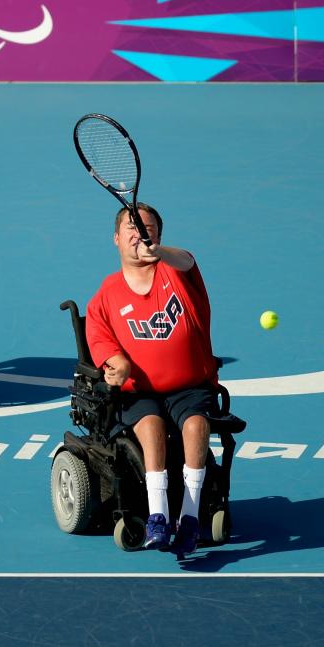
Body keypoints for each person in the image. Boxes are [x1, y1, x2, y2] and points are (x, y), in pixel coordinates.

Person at [85, 203, 219, 554]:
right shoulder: (107, 293)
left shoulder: (177, 273)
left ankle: (190, 516)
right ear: (116, 238)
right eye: (131, 227)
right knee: (151, 426)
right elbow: (100, 339)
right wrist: (117, 364)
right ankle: (158, 515)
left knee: (194, 425)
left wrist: (160, 253)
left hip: (189, 384)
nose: (139, 233)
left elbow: (187, 259)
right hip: (139, 392)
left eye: (148, 228)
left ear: (158, 236)